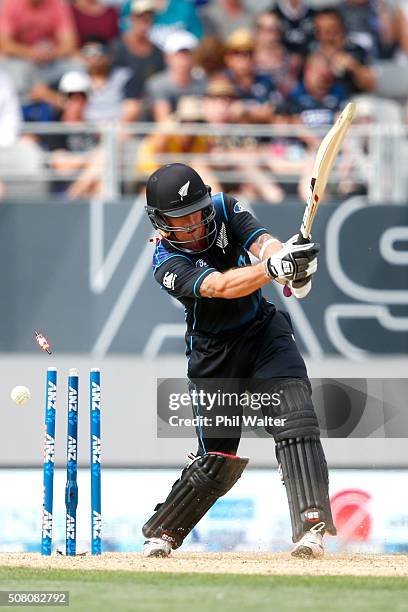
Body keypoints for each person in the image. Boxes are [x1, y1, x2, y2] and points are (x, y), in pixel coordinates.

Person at [142, 162, 336, 558]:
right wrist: (272, 270)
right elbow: (220, 286)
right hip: (214, 354)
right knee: (217, 458)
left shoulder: (225, 208)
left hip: (263, 332)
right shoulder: (164, 263)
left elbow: (262, 242)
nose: (194, 224)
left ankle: (311, 526)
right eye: (181, 219)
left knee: (295, 416)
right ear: (161, 222)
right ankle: (163, 532)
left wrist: (290, 263)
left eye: (197, 211)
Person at [0, 0, 78, 97]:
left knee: (77, 68)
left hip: (51, 63)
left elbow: (69, 44)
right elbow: (4, 44)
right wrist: (31, 53)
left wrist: (50, 54)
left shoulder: (58, 4)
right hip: (22, 63)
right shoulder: (11, 4)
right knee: (13, 74)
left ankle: (70, 106)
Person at [311, 8, 376, 95]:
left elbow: (370, 85)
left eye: (333, 29)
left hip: (352, 103)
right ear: (317, 34)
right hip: (322, 104)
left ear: (342, 28)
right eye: (324, 31)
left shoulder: (355, 50)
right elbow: (311, 90)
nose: (329, 36)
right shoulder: (311, 54)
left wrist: (354, 67)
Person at [146, 30, 207, 122]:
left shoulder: (204, 84)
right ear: (168, 57)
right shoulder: (157, 84)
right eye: (179, 55)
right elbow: (163, 121)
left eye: (188, 55)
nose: (184, 60)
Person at [111, 0, 164, 105]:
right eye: (140, 17)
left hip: (148, 103)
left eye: (148, 17)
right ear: (132, 18)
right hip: (119, 102)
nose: (144, 21)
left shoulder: (158, 52)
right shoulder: (117, 47)